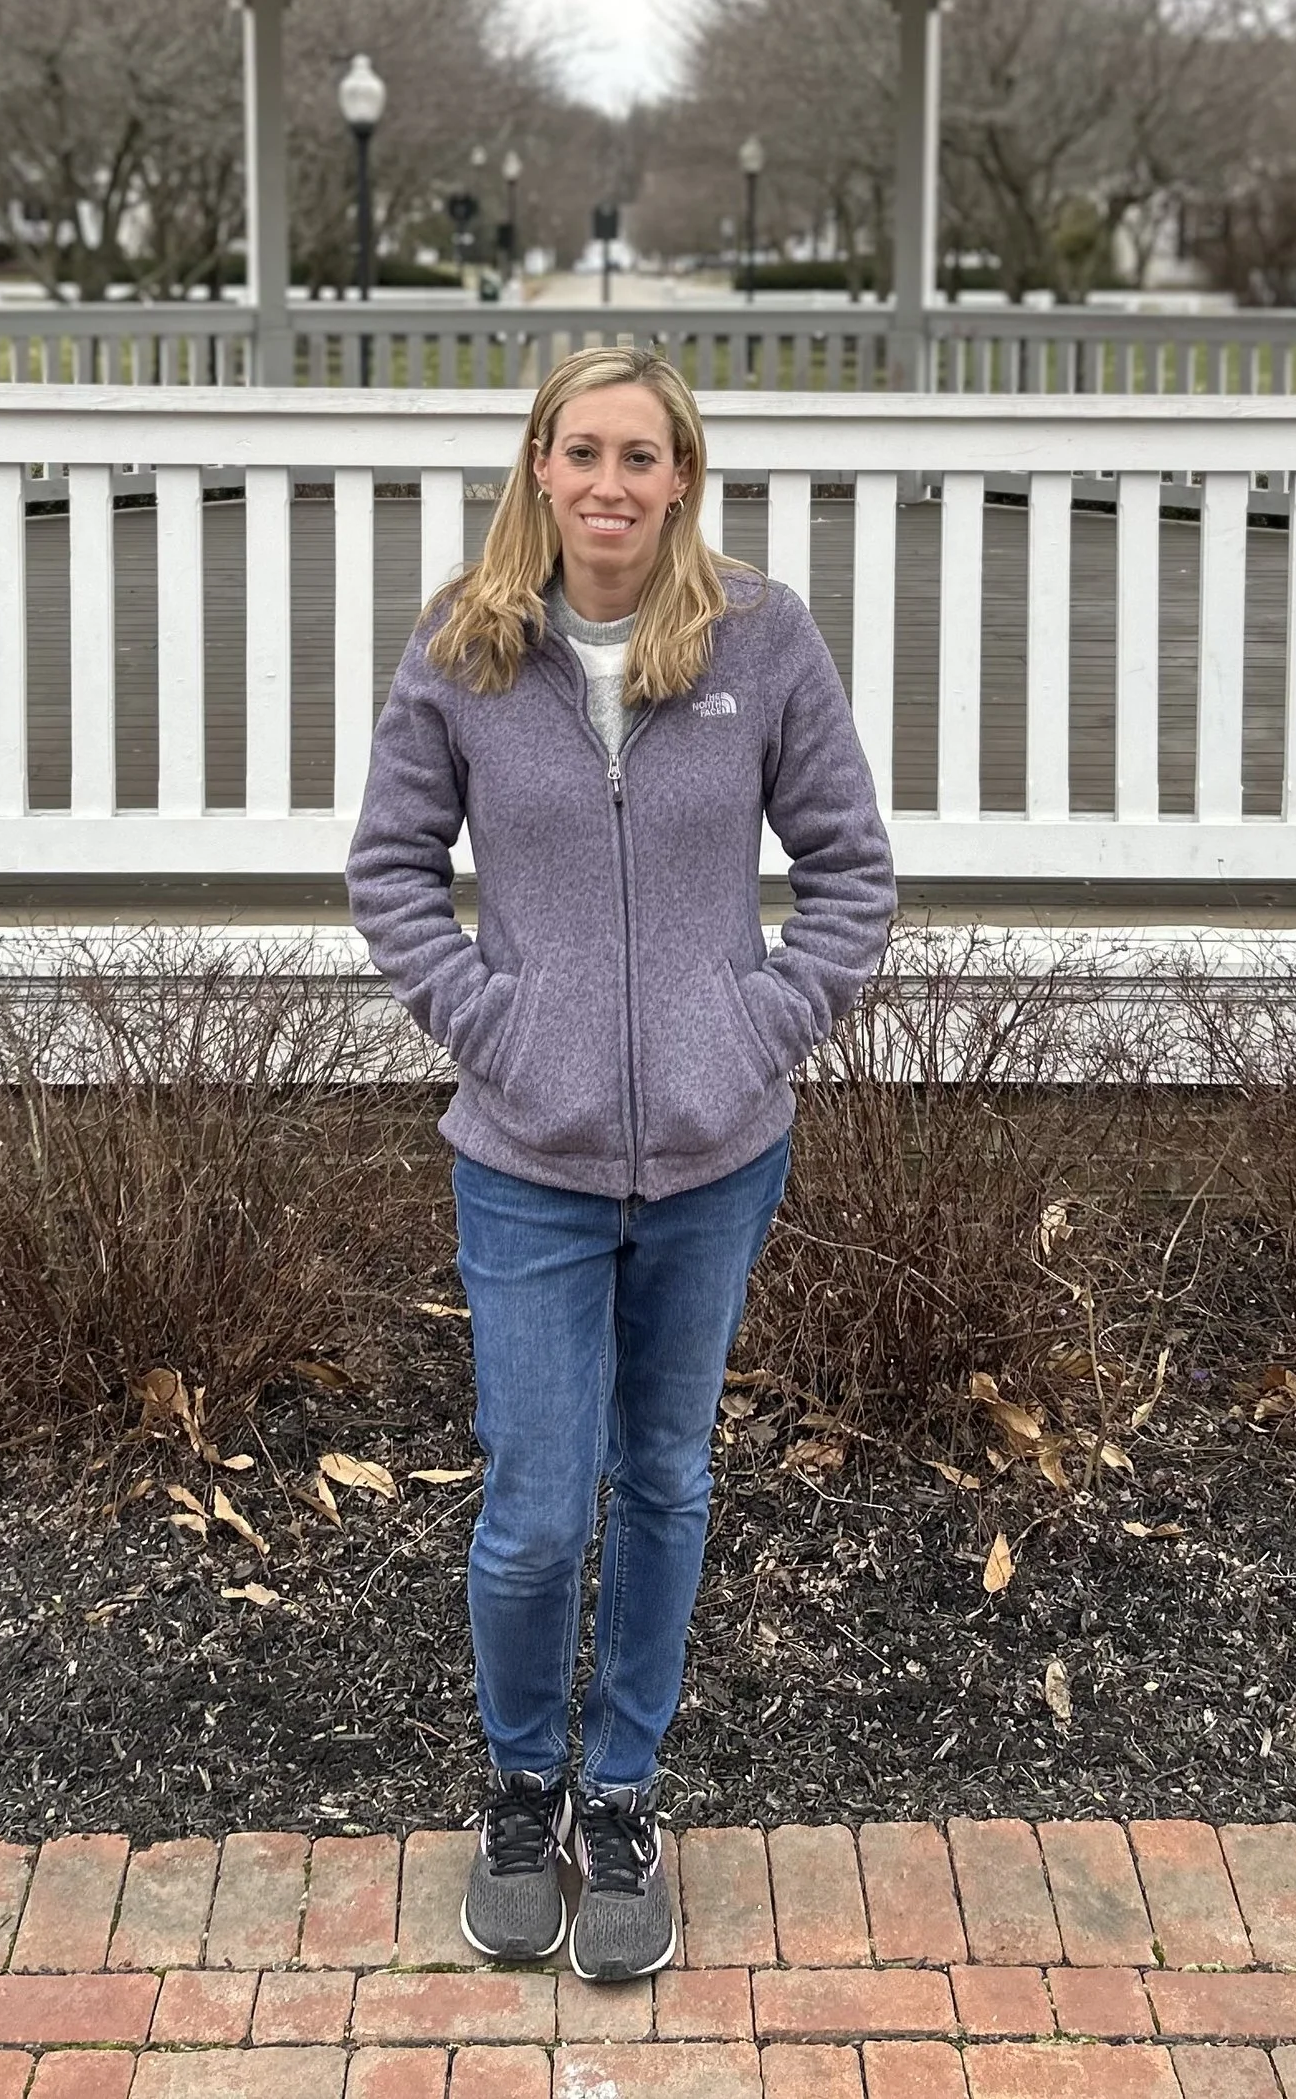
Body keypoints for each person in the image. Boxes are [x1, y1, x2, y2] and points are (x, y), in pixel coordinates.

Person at [346, 344, 895, 1981]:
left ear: (682, 476)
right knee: (530, 1508)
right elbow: (387, 871)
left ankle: (626, 1794)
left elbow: (852, 870)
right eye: (581, 452)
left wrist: (757, 1026)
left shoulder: (760, 639)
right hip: (527, 1152)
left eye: (639, 457)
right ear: (537, 465)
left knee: (664, 1480)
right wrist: (495, 1026)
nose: (609, 484)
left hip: (721, 1152)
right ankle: (522, 1786)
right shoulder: (464, 645)